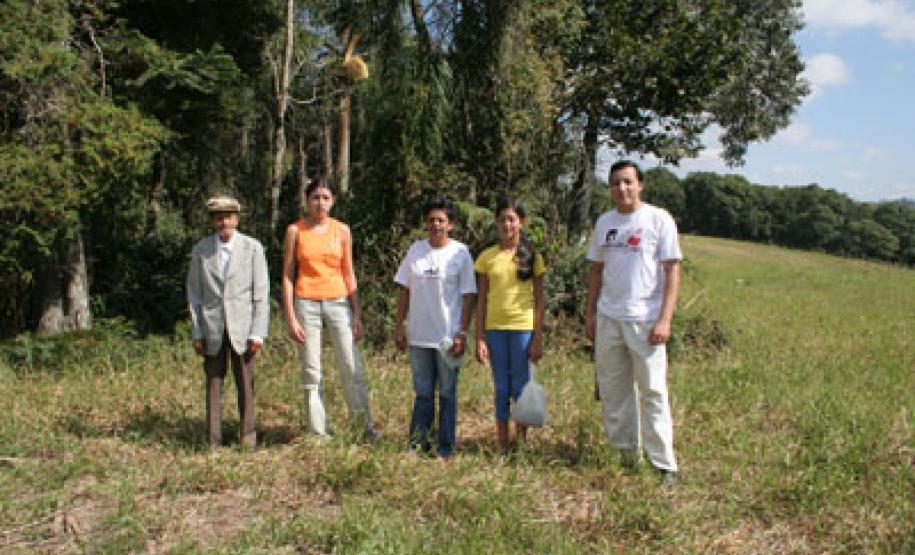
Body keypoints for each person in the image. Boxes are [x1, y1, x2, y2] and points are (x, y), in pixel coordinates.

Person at [585, 160, 681, 485]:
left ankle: (663, 465)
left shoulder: (658, 219)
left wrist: (665, 319)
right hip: (609, 318)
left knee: (653, 391)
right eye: (615, 183)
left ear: (640, 185)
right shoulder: (605, 222)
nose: (622, 189)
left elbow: (672, 270)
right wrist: (590, 315)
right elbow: (596, 271)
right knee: (614, 391)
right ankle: (626, 455)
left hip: (646, 321)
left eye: (628, 182)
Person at [282, 179, 376, 442]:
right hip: (306, 303)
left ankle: (364, 429)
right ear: (307, 201)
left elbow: (349, 272)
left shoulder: (342, 230)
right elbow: (288, 275)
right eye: (315, 197)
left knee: (351, 365)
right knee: (312, 370)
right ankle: (318, 432)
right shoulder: (295, 231)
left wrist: (356, 314)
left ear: (333, 201)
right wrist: (291, 317)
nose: (320, 203)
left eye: (325, 197)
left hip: (338, 301)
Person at [394, 197, 477, 459]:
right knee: (423, 394)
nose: (436, 225)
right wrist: (399, 326)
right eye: (431, 220)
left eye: (441, 220)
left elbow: (468, 296)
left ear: (450, 225)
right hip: (419, 336)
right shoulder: (416, 251)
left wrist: (462, 332)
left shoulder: (460, 253)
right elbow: (405, 290)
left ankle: (445, 449)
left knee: (448, 394)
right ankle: (418, 445)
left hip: (447, 338)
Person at [187, 195, 269, 450]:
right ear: (212, 222)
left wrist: (258, 333)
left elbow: (261, 293)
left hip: (243, 328)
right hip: (212, 328)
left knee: (245, 383)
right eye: (219, 218)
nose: (224, 222)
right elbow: (194, 294)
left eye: (229, 217)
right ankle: (213, 440)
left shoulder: (252, 248)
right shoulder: (201, 250)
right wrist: (197, 331)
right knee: (213, 383)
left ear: (237, 219)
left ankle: (248, 437)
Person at [475, 198, 546, 453]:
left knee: (520, 387)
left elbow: (539, 300)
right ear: (497, 223)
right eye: (502, 219)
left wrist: (537, 337)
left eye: (512, 219)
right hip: (495, 329)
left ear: (521, 223)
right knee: (502, 388)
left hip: (523, 329)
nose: (507, 225)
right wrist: (479, 337)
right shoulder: (487, 257)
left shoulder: (532, 257)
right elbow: (481, 300)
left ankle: (522, 443)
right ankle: (503, 444)